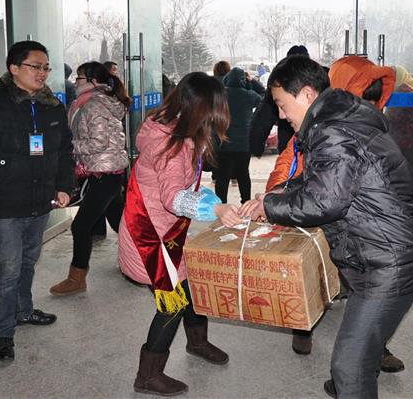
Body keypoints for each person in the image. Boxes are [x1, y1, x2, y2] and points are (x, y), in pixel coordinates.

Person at [240, 56, 413, 399]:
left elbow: (324, 201)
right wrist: (279, 194)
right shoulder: (341, 121)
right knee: (360, 353)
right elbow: (325, 179)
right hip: (389, 254)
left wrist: (269, 207)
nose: (282, 116)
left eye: (282, 105)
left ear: (305, 94)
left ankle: (353, 382)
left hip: (391, 262)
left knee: (349, 366)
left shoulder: (332, 130)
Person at [262, 55, 406, 374]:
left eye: (372, 101)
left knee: (360, 289)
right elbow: (289, 167)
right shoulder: (314, 126)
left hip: (352, 227)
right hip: (307, 211)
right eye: (361, 97)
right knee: (309, 275)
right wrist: (274, 198)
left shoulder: (353, 124)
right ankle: (303, 327)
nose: (367, 105)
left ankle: (371, 349)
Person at [117, 72, 241, 396]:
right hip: (150, 238)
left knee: (191, 289)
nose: (214, 121)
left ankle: (197, 343)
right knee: (172, 305)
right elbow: (173, 198)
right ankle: (147, 375)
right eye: (212, 113)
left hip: (166, 231)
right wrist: (216, 209)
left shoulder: (177, 131)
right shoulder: (170, 145)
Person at [0, 40, 74, 361]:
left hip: (39, 201)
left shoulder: (52, 106)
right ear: (14, 68)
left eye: (46, 67)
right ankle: (2, 333)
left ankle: (23, 310)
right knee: (6, 268)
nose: (43, 73)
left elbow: (64, 151)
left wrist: (64, 185)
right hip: (3, 203)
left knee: (27, 261)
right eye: (36, 66)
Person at [50, 62, 130, 296]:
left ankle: (76, 279)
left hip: (105, 173)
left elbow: (98, 143)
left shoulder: (94, 104)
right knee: (121, 223)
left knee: (81, 226)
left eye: (80, 78)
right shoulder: (88, 102)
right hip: (102, 171)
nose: (76, 82)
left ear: (93, 82)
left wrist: (68, 147)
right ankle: (142, 261)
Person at [248, 45, 308, 158]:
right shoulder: (322, 79)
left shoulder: (279, 83)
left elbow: (263, 118)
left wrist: (256, 146)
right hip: (318, 146)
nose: (282, 114)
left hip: (288, 148)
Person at [214, 67, 263, 204]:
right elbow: (264, 96)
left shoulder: (220, 95)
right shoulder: (249, 95)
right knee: (243, 174)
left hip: (223, 143)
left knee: (222, 176)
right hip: (244, 144)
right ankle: (246, 202)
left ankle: (221, 204)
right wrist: (252, 81)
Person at [386, 66, 413, 169]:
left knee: (401, 175)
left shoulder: (402, 92)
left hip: (405, 144)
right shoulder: (411, 88)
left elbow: (391, 117)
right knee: (406, 173)